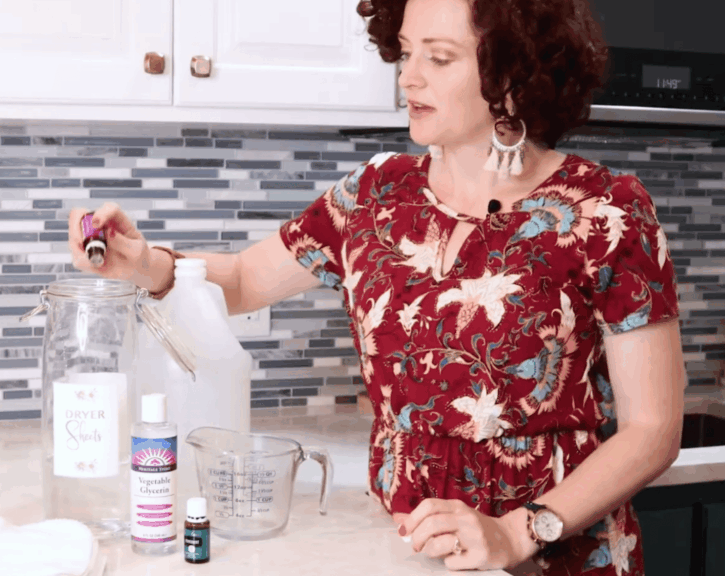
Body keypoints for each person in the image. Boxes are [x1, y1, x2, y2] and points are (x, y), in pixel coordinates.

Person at [68, 0, 686, 573]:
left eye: (438, 58)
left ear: (512, 73)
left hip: (555, 555)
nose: (407, 77)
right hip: (402, 550)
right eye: (406, 50)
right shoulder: (375, 193)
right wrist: (145, 262)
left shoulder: (608, 211)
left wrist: (517, 532)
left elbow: (652, 430)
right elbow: (246, 279)